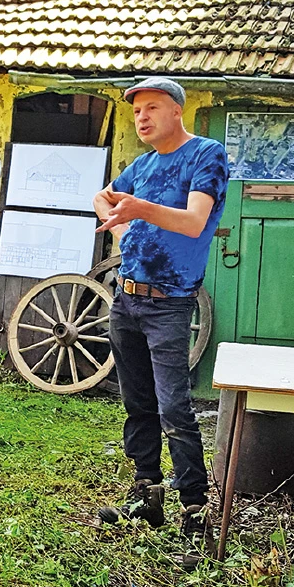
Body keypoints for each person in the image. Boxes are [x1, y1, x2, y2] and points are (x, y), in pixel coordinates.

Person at [93, 77, 229, 546]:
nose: (143, 117)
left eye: (152, 107)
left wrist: (138, 211)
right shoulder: (144, 165)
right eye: (137, 111)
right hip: (126, 300)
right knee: (137, 402)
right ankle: (147, 493)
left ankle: (195, 510)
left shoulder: (205, 155)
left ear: (176, 111)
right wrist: (119, 229)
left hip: (170, 303)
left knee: (174, 405)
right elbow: (104, 197)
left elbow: (194, 223)